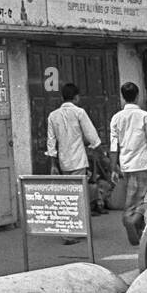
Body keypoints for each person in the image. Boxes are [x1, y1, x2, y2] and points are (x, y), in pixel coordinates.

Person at [46, 84, 104, 236]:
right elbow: (93, 136)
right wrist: (101, 153)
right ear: (76, 97)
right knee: (79, 197)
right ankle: (76, 231)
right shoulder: (79, 112)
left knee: (67, 196)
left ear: (62, 97)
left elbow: (51, 142)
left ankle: (69, 230)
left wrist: (53, 164)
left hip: (64, 162)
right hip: (78, 160)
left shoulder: (53, 115)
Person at [109, 82, 147, 246]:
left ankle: (137, 227)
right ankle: (130, 221)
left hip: (126, 166)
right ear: (137, 96)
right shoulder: (145, 116)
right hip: (143, 165)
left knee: (131, 198)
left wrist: (113, 168)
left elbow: (113, 146)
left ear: (123, 97)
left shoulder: (116, 118)